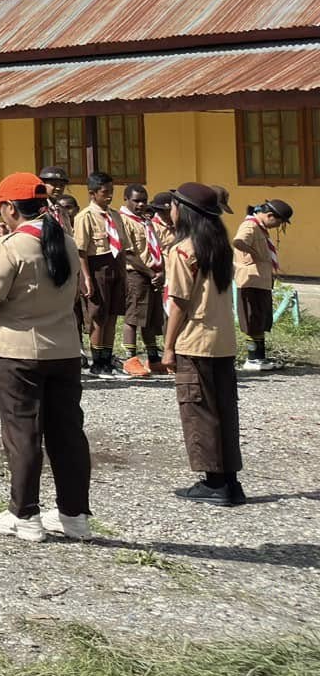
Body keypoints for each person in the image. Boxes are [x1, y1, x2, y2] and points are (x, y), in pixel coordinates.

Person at [0, 172, 91, 543]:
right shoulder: (66, 242)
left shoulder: (10, 246)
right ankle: (74, 516)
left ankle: (24, 515)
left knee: (22, 432)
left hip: (17, 350)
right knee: (67, 433)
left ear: (10, 207)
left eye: (1, 210)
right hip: (64, 348)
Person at [164, 183, 246, 506]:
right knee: (225, 410)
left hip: (195, 340)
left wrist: (168, 346)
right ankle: (230, 480)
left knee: (199, 411)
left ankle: (213, 483)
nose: (169, 210)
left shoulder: (184, 249)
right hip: (223, 341)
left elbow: (180, 302)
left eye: (173, 205)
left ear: (184, 211)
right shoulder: (220, 246)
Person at [72, 173, 130, 378]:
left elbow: (122, 246)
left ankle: (107, 358)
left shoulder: (115, 216)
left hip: (114, 266)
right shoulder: (85, 217)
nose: (109, 196)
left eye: (111, 192)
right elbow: (81, 251)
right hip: (96, 268)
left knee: (113, 315)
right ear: (92, 193)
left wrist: (123, 273)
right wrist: (86, 278)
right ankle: (96, 363)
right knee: (98, 316)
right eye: (105, 192)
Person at [233, 199, 291, 372]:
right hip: (250, 280)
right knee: (251, 318)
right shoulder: (250, 226)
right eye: (278, 221)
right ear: (269, 215)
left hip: (261, 281)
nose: (278, 225)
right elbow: (238, 242)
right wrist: (255, 255)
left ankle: (260, 357)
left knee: (260, 318)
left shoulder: (261, 228)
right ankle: (252, 359)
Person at [118, 183, 166, 374]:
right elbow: (128, 253)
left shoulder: (146, 221)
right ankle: (130, 359)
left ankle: (153, 358)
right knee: (134, 316)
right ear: (126, 200)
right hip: (136, 274)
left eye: (144, 201)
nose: (141, 204)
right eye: (136, 201)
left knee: (151, 318)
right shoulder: (124, 221)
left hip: (153, 274)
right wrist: (150, 273)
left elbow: (156, 248)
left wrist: (160, 272)